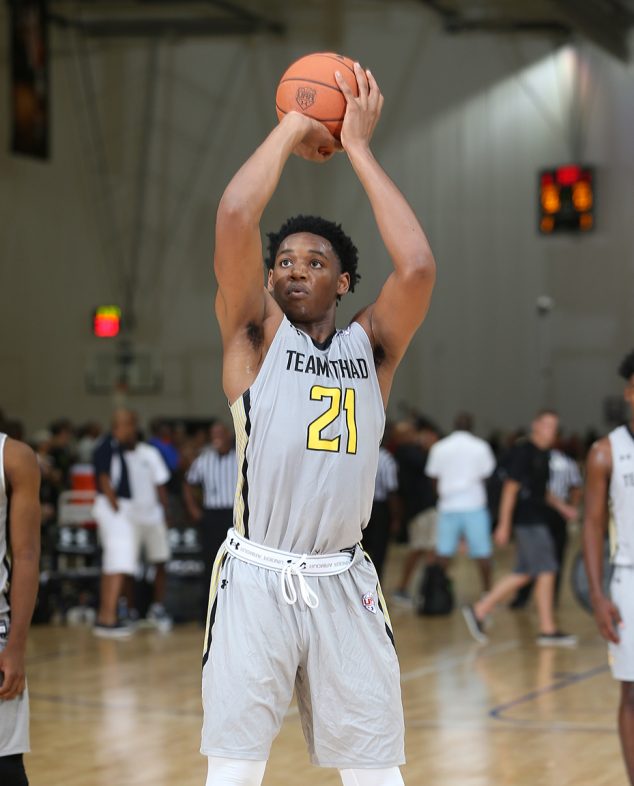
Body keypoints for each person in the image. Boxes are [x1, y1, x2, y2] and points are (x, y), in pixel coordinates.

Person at [204, 63, 435, 786]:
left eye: (315, 261)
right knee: (234, 776)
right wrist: (294, 126)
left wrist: (359, 147)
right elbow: (237, 216)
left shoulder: (374, 349)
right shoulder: (253, 342)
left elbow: (419, 266)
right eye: (283, 262)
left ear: (343, 281)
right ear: (268, 280)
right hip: (255, 577)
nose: (294, 270)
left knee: (377, 776)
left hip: (344, 579)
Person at [462, 410, 577, 647]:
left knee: (525, 572)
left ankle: (480, 609)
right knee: (546, 569)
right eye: (546, 425)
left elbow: (540, 490)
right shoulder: (523, 452)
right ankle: (547, 629)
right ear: (535, 425)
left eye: (554, 427)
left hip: (537, 517)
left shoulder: (543, 455)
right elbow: (510, 489)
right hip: (528, 520)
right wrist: (504, 524)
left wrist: (562, 507)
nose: (550, 431)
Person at [583, 349, 634, 785]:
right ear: (631, 390)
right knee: (633, 692)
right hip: (628, 581)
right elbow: (593, 527)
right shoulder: (606, 453)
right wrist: (598, 596)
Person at [92, 409, 173, 637]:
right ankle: (108, 618)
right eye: (129, 425)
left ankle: (107, 617)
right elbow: (103, 477)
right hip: (116, 510)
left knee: (116, 564)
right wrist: (116, 506)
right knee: (119, 564)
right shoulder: (107, 444)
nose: (133, 429)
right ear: (120, 425)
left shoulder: (118, 446)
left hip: (125, 511)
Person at [0, 431, 41, 786]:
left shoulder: (12, 456)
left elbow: (26, 555)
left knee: (6, 768)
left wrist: (15, 647)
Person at [425, 413, 496, 594]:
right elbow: (488, 476)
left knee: (443, 552)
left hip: (448, 505)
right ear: (471, 426)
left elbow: (433, 477)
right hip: (474, 505)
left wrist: (442, 494)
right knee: (483, 553)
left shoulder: (440, 447)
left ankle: (439, 590)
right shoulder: (481, 447)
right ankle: (487, 591)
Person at [510, 439, 582, 608]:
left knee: (538, 563)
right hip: (543, 514)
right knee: (547, 563)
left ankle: (527, 599)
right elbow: (575, 488)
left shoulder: (540, 460)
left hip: (542, 514)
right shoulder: (561, 462)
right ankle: (547, 602)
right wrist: (569, 507)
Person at [183, 422, 237, 622]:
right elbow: (188, 483)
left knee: (235, 563)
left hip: (233, 516)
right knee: (210, 563)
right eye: (213, 434)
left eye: (220, 433)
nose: (217, 438)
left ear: (228, 435)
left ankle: (233, 612)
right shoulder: (204, 460)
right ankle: (208, 613)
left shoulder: (240, 456)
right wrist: (193, 509)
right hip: (211, 515)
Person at [391, 419, 439, 604]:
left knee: (425, 548)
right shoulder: (407, 452)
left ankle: (424, 588)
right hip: (420, 509)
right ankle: (405, 588)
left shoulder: (405, 452)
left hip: (420, 508)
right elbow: (428, 465)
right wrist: (428, 446)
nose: (416, 435)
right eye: (411, 432)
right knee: (420, 548)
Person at [362, 443, 400, 582]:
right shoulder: (386, 459)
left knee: (359, 548)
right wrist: (396, 517)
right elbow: (391, 490)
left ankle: (357, 584)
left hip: (360, 505)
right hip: (379, 509)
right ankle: (374, 588)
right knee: (378, 551)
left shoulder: (362, 453)